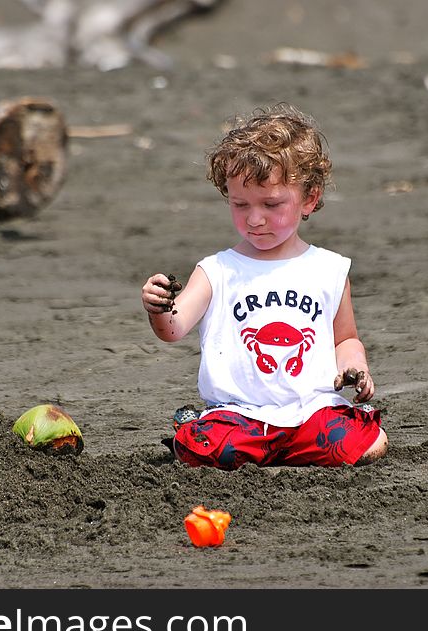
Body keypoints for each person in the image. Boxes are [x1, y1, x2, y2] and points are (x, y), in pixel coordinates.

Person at [140, 103, 388, 469]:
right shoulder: (217, 270)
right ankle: (193, 424)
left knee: (368, 443)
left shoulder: (329, 269)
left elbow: (345, 339)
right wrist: (158, 306)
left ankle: (305, 440)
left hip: (311, 412)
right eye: (240, 204)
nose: (254, 219)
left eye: (271, 204)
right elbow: (173, 328)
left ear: (310, 198)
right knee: (210, 449)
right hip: (240, 413)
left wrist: (357, 370)